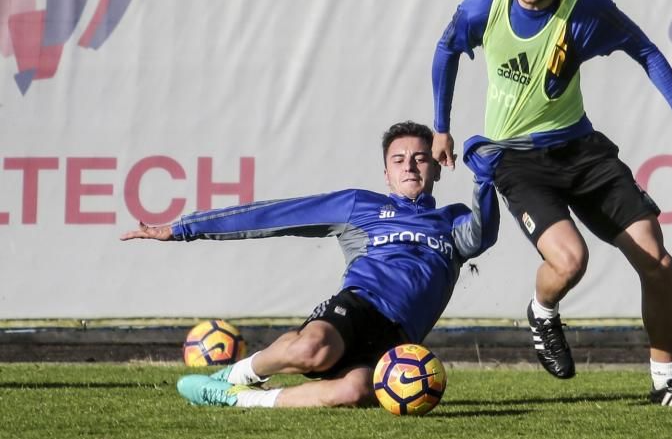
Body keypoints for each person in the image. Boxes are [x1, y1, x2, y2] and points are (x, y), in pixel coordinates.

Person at [431, 0, 672, 406]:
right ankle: (542, 311)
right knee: (570, 263)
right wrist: (441, 126)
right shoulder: (486, 9)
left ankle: (666, 382)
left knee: (658, 261)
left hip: (582, 153)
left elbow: (646, 50)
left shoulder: (587, 9)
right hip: (517, 160)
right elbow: (446, 48)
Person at [121, 121, 498, 409]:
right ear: (386, 173)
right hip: (358, 305)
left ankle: (241, 399)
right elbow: (272, 216)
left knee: (354, 392)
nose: (410, 166)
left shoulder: (452, 220)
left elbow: (481, 236)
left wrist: (485, 177)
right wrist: (184, 228)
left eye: (420, 158)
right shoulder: (358, 205)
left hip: (399, 338)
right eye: (398, 160)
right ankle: (234, 376)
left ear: (437, 166)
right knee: (312, 351)